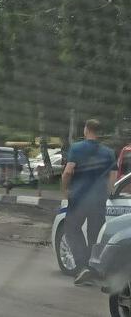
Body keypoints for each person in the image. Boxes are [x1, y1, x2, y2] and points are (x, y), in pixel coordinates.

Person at [61, 119, 117, 285]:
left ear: (86, 130)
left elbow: (68, 172)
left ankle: (82, 266)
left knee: (71, 229)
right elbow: (113, 176)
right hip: (98, 199)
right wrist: (107, 192)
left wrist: (65, 190)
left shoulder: (77, 148)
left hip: (79, 198)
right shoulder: (108, 152)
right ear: (99, 132)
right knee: (95, 233)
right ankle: (93, 268)